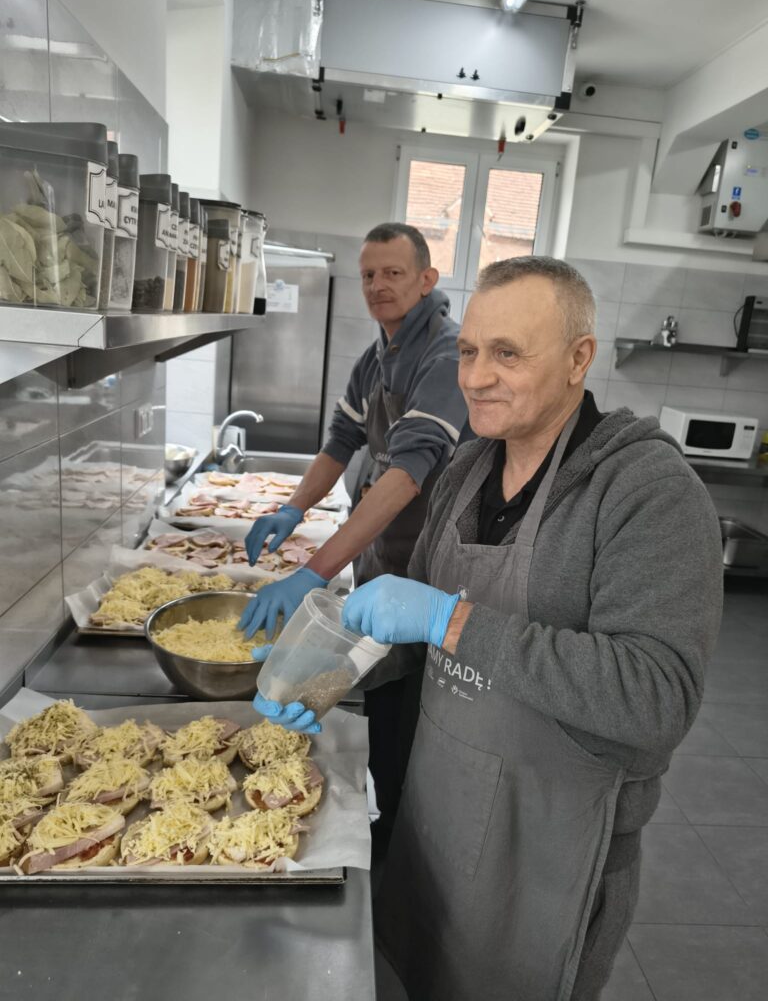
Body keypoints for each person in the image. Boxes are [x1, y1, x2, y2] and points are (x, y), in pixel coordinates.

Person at [257, 256, 724, 1000]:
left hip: (546, 850)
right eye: (470, 351)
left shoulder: (648, 492)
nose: (475, 377)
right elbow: (416, 639)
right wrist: (331, 668)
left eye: (508, 353)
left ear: (578, 359)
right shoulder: (469, 468)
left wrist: (450, 618)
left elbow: (655, 697)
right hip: (439, 817)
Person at [240, 222, 468, 848]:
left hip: (429, 574)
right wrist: (292, 508)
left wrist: (313, 571)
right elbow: (341, 442)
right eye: (369, 274)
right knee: (382, 706)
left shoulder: (445, 357)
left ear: (427, 279)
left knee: (412, 722)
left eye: (393, 272)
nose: (377, 285)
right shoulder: (376, 359)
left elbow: (407, 474)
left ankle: (402, 845)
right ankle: (385, 822)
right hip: (381, 558)